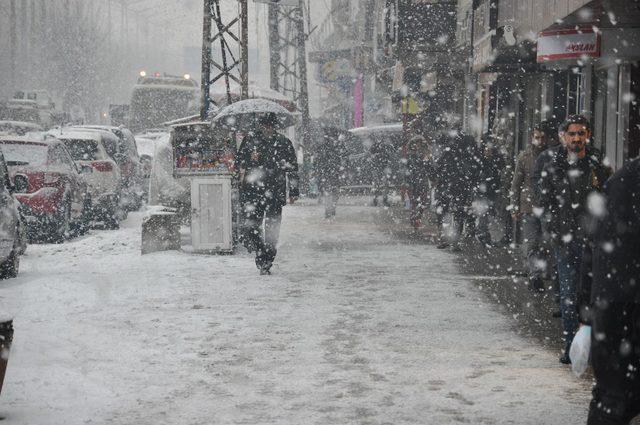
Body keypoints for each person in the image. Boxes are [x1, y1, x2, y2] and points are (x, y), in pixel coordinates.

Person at [534, 114, 610, 364]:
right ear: (563, 136)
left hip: (593, 239)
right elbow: (542, 198)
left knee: (592, 295)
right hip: (565, 239)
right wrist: (553, 226)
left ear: (587, 135)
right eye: (572, 133)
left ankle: (590, 348)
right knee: (568, 295)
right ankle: (569, 347)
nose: (577, 138)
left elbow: (607, 195)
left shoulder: (596, 161)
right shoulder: (550, 160)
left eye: (581, 133)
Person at [583, 157, 640, 425]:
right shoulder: (627, 182)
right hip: (621, 311)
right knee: (614, 399)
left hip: (614, 308)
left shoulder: (622, 180)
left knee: (612, 398)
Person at [237, 113, 299, 275]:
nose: (267, 129)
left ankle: (267, 260)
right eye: (265, 126)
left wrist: (293, 191)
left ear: (274, 127)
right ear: (260, 126)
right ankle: (261, 253)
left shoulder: (284, 143)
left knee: (272, 230)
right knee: (251, 228)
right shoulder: (250, 140)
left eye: (270, 126)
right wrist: (251, 160)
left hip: (275, 192)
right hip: (253, 192)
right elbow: (240, 163)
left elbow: (292, 169)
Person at [510, 124, 549, 291]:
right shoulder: (524, 157)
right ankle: (535, 276)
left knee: (546, 242)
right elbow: (516, 184)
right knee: (532, 243)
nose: (539, 141)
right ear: (532, 138)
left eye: (542, 137)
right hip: (529, 206)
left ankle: (542, 272)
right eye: (536, 137)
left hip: (547, 206)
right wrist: (514, 206)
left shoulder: (552, 156)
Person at [433, 132, 481, 251]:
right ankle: (454, 240)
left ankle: (447, 239)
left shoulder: (447, 152)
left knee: (447, 212)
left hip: (449, 186)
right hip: (460, 186)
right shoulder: (468, 153)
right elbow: (475, 169)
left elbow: (438, 168)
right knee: (458, 213)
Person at [476, 133, 506, 246]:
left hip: (492, 190)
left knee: (489, 213)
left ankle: (483, 233)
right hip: (483, 191)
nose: (488, 151)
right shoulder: (480, 160)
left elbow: (499, 170)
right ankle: (483, 234)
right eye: (486, 149)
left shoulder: (496, 159)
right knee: (484, 213)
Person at [314, 128, 348, 219]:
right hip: (330, 171)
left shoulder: (331, 145)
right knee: (331, 191)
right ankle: (330, 208)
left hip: (330, 171)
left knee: (331, 191)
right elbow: (317, 160)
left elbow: (344, 157)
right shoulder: (324, 146)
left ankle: (330, 208)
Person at [406, 131, 433, 229]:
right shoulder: (413, 155)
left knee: (421, 201)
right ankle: (415, 218)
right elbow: (408, 169)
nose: (417, 145)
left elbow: (429, 167)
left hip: (420, 180)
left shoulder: (424, 154)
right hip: (415, 180)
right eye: (416, 143)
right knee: (416, 201)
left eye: (419, 143)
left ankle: (417, 217)